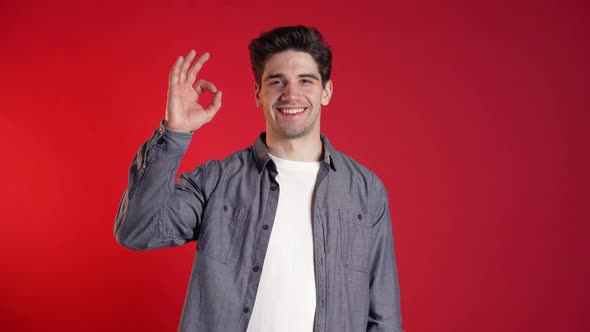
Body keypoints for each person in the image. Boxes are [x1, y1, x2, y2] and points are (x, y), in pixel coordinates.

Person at [115, 25, 403, 332]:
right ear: (257, 93)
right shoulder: (218, 180)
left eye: (305, 80)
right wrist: (175, 133)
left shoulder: (365, 190)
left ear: (326, 91)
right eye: (277, 81)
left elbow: (383, 316)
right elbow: (138, 230)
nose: (291, 94)